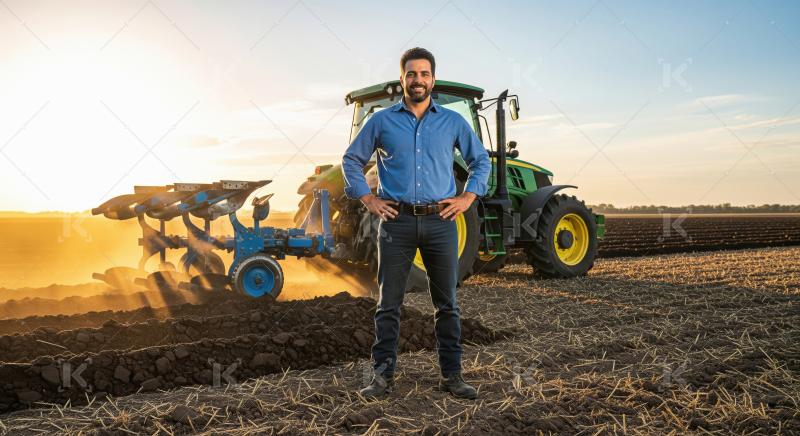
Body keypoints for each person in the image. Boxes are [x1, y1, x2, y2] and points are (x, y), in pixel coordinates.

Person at [341, 47, 491, 399]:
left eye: (424, 74)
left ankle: (452, 377)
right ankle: (382, 379)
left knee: (447, 305)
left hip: (441, 223)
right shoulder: (380, 121)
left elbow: (480, 162)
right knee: (388, 305)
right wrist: (369, 198)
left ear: (432, 80)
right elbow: (351, 160)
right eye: (412, 74)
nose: (418, 80)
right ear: (403, 79)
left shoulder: (453, 122)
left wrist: (467, 198)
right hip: (397, 224)